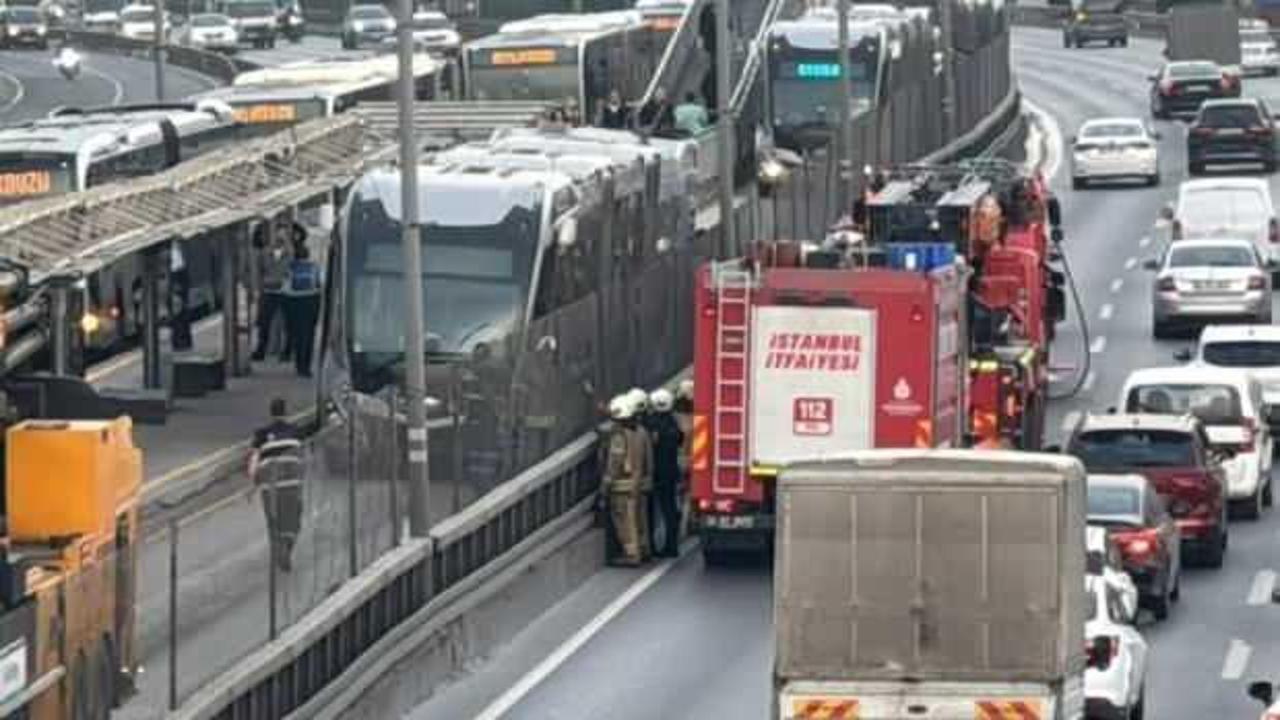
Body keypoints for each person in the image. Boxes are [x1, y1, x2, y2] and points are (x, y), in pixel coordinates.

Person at [249, 398, 304, 571]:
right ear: (285, 412)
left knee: (273, 519)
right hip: (291, 482)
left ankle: (279, 548)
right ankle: (287, 545)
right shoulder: (295, 431)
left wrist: (253, 482)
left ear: (271, 413)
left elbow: (254, 459)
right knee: (293, 517)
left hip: (269, 485)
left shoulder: (261, 434)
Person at [601, 394, 652, 566]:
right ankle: (644, 549)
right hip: (639, 483)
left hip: (623, 486)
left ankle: (631, 555)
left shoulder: (619, 436)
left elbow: (614, 464)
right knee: (639, 519)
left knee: (624, 520)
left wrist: (605, 486)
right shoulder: (641, 431)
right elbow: (648, 459)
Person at [647, 388, 684, 558]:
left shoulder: (650, 424)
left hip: (654, 473)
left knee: (649, 510)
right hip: (671, 472)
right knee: (670, 509)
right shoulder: (673, 425)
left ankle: (651, 546)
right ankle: (671, 546)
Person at [252, 222, 292, 363]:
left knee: (288, 323)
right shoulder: (264, 253)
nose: (280, 237)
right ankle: (260, 350)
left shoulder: (291, 253)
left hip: (286, 291)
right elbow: (258, 271)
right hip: (268, 291)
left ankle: (287, 352)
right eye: (278, 234)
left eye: (283, 234)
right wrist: (259, 287)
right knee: (264, 323)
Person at [283, 238, 322, 378]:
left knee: (297, 336)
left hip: (293, 302)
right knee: (308, 336)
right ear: (307, 254)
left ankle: (299, 364)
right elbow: (319, 284)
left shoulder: (290, 266)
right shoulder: (314, 266)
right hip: (311, 301)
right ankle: (305, 366)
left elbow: (285, 286)